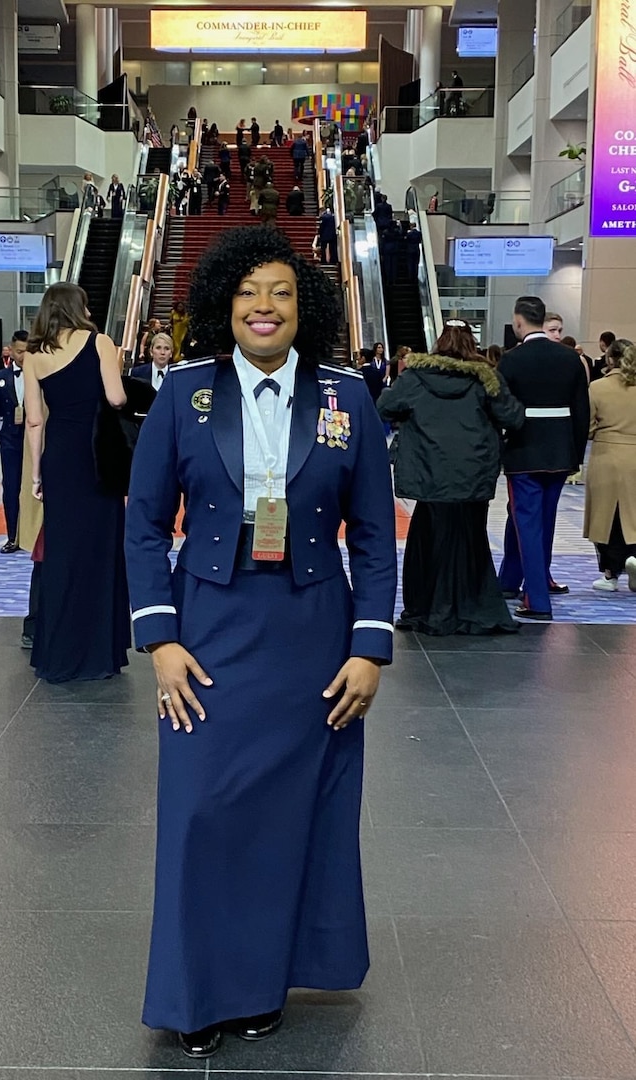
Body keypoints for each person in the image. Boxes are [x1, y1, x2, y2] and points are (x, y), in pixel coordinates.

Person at [124, 224, 397, 1059]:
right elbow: (141, 524)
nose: (264, 307)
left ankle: (259, 986)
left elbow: (377, 535)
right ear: (224, 305)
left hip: (312, 635)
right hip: (210, 627)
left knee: (287, 821)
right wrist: (160, 638)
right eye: (247, 293)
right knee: (202, 811)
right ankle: (195, 989)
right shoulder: (185, 391)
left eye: (280, 291)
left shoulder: (347, 396)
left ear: (303, 305)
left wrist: (369, 647)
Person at [378, 320, 524, 634]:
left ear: (439, 343)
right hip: (472, 475)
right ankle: (472, 607)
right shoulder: (485, 378)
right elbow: (512, 416)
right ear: (472, 344)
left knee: (428, 541)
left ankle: (427, 609)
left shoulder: (415, 376)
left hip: (428, 476)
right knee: (470, 541)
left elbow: (384, 406)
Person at [22, 282, 130, 684]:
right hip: (96, 454)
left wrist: (36, 474)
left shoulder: (33, 355)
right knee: (101, 549)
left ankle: (56, 652)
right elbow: (117, 398)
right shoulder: (99, 342)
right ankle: (99, 652)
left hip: (60, 457)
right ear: (78, 307)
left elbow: (35, 420)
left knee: (62, 552)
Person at [497, 296, 591, 620]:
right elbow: (582, 412)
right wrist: (575, 456)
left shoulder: (510, 361)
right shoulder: (570, 359)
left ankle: (536, 599)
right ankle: (509, 581)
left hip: (523, 451)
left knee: (526, 522)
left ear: (519, 322)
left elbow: (501, 410)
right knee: (541, 521)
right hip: (561, 452)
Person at [583, 339, 636, 592]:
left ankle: (610, 574)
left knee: (606, 518)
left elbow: (589, 426)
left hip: (606, 456)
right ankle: (634, 558)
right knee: (634, 515)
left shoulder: (597, 387)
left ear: (610, 358)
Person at [0, 330, 29, 554]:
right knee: (11, 488)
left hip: (35, 442)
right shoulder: (0, 378)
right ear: (11, 350)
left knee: (37, 489)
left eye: (28, 351)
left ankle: (37, 535)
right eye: (20, 351)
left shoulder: (41, 376)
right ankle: (13, 536)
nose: (24, 356)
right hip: (10, 441)